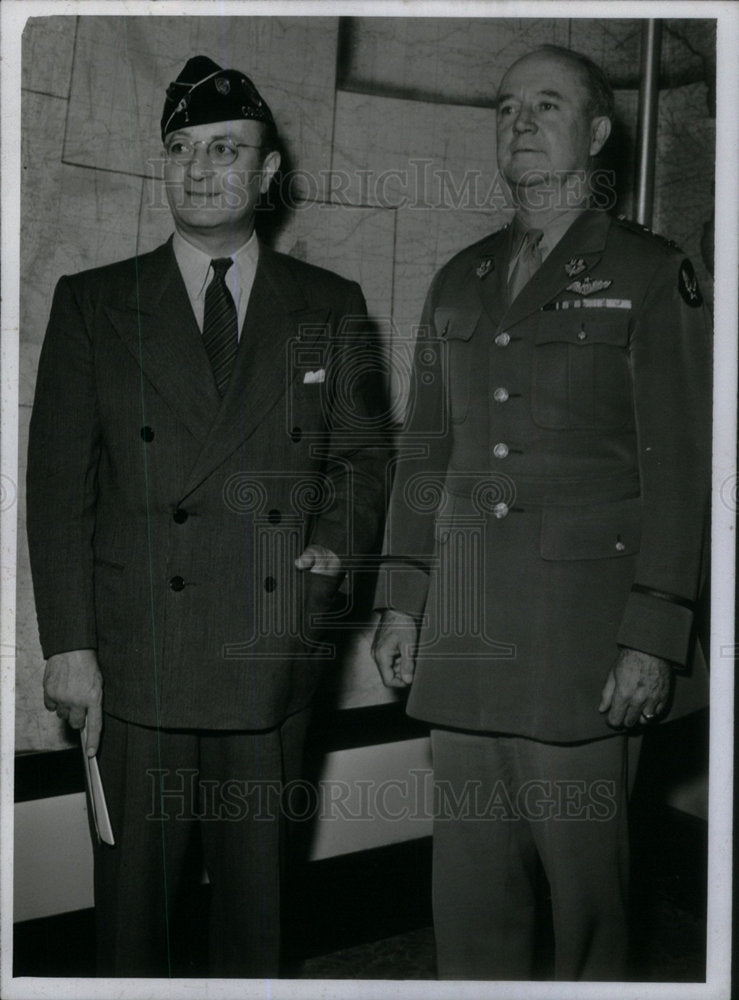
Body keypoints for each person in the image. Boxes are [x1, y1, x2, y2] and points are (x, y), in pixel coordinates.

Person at [27, 55, 387, 978]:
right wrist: (68, 643)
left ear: (269, 174)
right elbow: (59, 486)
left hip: (268, 651)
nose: (197, 167)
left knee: (257, 912)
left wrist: (332, 550)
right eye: (181, 147)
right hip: (136, 656)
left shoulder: (330, 307)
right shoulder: (95, 302)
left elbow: (361, 460)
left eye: (226, 148)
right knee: (132, 922)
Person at [372, 45, 711, 981]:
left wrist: (653, 634)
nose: (519, 123)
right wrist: (402, 596)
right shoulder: (460, 279)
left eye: (547, 105)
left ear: (596, 132)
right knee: (472, 899)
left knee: (587, 908)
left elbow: (682, 470)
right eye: (506, 107)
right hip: (469, 636)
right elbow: (424, 453)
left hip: (585, 645)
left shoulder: (650, 272)